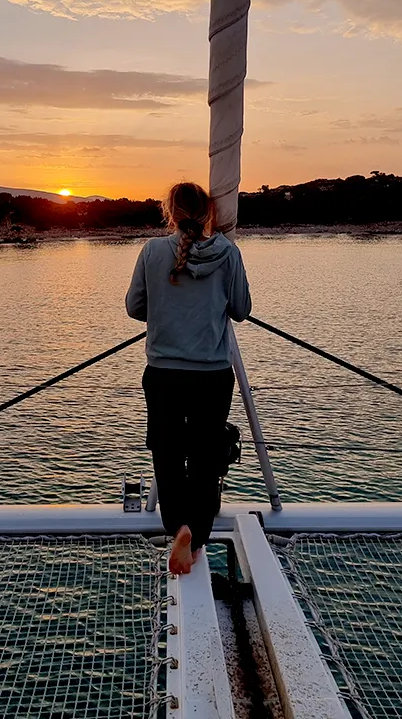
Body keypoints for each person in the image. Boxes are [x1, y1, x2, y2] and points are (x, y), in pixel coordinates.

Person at [125, 181, 251, 575]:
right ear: (208, 213)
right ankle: (196, 535)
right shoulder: (228, 253)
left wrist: (168, 309)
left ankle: (177, 526)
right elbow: (242, 309)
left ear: (170, 212)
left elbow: (134, 307)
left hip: (163, 372)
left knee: (166, 450)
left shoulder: (151, 251)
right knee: (204, 455)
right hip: (212, 374)